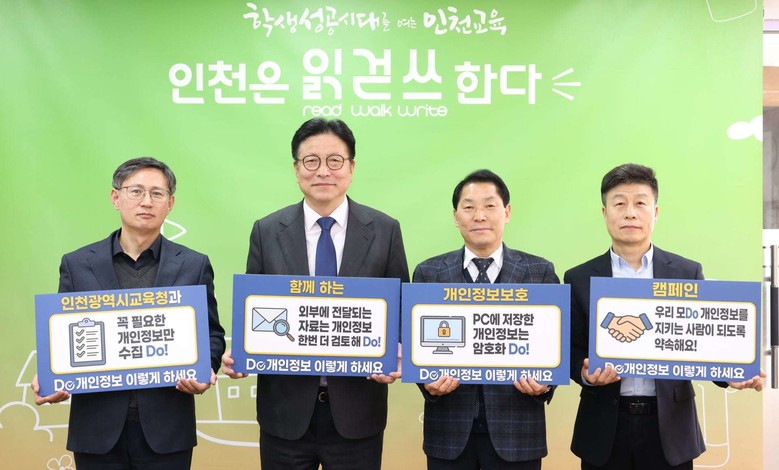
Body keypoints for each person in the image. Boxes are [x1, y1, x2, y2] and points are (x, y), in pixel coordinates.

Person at [221, 118, 409, 470]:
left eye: (335, 160)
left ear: (351, 167)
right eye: (311, 161)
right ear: (297, 169)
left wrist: (397, 353)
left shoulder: (384, 231)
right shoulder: (266, 231)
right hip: (285, 415)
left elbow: (399, 312)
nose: (323, 171)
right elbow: (255, 310)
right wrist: (242, 352)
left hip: (358, 413)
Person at [566, 163, 765, 470]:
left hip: (670, 429)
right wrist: (585, 375)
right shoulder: (579, 277)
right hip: (604, 428)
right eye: (619, 204)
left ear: (655, 212)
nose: (630, 213)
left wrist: (730, 372)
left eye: (640, 203)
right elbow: (572, 349)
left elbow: (702, 340)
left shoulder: (686, 272)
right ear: (605, 213)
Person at [32, 157, 226, 469]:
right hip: (96, 429)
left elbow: (212, 334)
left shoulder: (194, 264)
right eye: (136, 191)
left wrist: (206, 370)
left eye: (157, 193)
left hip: (166, 429)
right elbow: (61, 337)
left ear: (170, 203)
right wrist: (50, 373)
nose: (146, 201)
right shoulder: (77, 264)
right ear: (115, 198)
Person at [412, 169, 557, 470]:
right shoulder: (428, 274)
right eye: (469, 207)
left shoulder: (540, 272)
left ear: (507, 212)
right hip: (448, 434)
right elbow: (418, 349)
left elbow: (556, 346)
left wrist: (545, 384)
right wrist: (427, 383)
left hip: (517, 434)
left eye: (490, 206)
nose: (480, 216)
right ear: (456, 216)